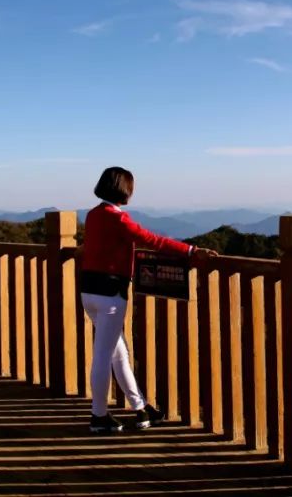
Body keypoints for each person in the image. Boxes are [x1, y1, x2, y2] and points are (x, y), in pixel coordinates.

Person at [80, 166, 217, 434]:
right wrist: (192, 251)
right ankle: (98, 416)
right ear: (124, 189)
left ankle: (141, 409)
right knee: (104, 356)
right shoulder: (119, 219)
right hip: (110, 295)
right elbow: (152, 240)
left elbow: (93, 246)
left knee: (119, 353)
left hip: (89, 292)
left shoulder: (93, 215)